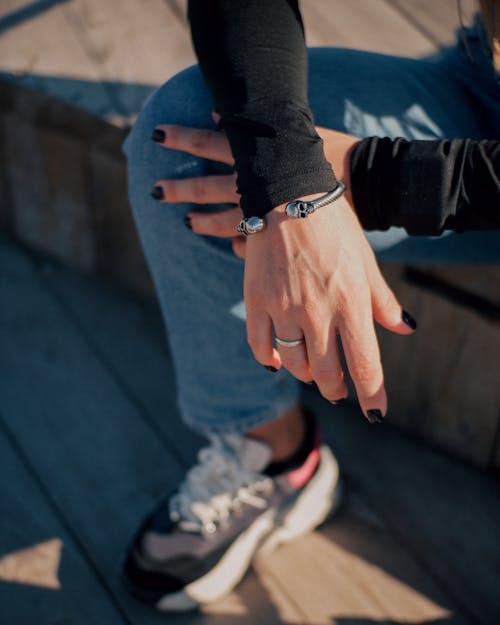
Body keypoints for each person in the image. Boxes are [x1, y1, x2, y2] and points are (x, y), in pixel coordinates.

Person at [122, 0, 499, 612]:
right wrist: (291, 177)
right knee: (186, 138)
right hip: (485, 81)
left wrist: (372, 177)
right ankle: (277, 459)